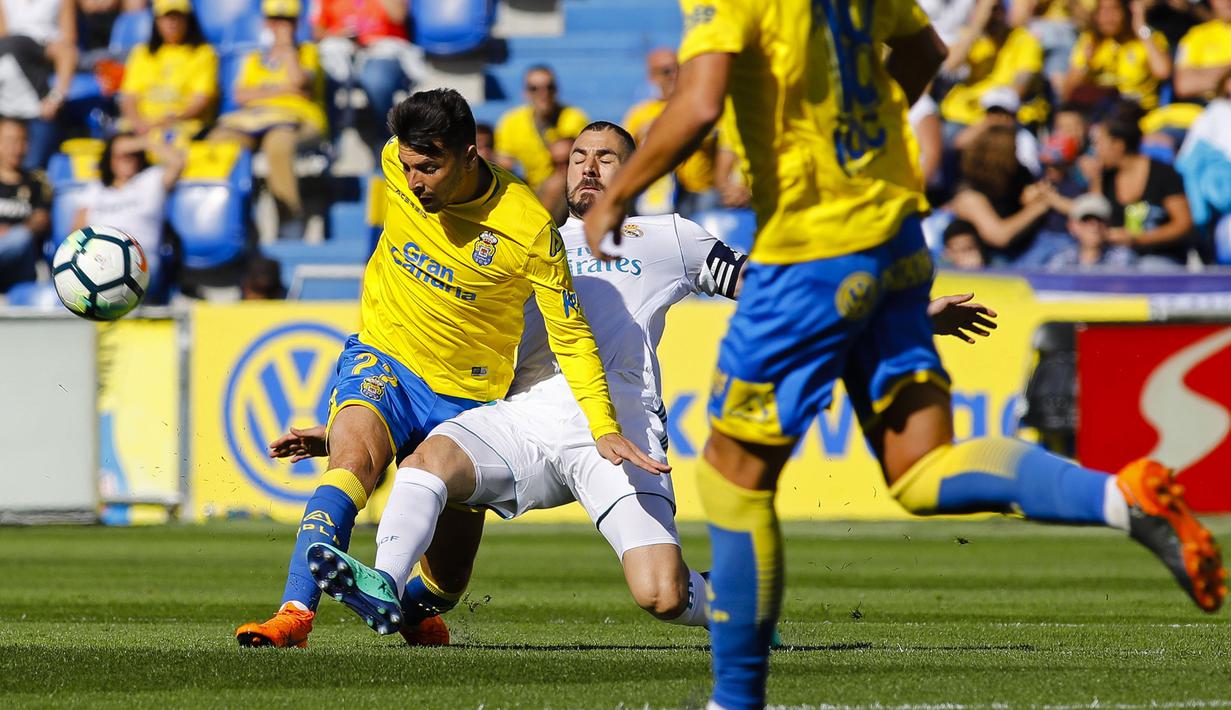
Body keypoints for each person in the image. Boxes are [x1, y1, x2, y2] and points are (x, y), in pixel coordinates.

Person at [581, 2, 1224, 707]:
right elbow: (925, 54)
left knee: (734, 479)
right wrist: (857, 149)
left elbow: (701, 101)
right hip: (893, 233)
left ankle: (735, 701)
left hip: (812, 246)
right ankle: (1121, 496)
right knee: (921, 469)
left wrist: (620, 194)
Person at [272, 122, 997, 646]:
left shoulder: (668, 237)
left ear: (634, 173)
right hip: (521, 420)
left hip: (618, 434)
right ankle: (383, 583)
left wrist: (903, 315)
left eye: (607, 158)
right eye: (578, 156)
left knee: (661, 595)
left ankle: (734, 609)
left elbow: (776, 293)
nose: (588, 168)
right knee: (427, 460)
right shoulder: (524, 238)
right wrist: (355, 426)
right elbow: (450, 352)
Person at [234, 88, 660, 649]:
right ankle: (292, 616)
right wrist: (342, 425)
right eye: (408, 165)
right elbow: (405, 165)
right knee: (353, 462)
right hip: (385, 359)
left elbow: (572, 336)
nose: (413, 181)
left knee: (447, 582)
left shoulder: (529, 228)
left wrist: (603, 426)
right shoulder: (395, 161)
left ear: (469, 154)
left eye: (429, 168)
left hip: (468, 398)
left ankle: (409, 609)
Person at [210, 0, 327, 240]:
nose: (281, 26)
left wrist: (287, 51)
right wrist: (282, 90)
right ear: (266, 23)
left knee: (278, 145)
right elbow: (240, 94)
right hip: (256, 120)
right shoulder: (255, 58)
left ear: (296, 24)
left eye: (287, 21)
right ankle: (228, 217)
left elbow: (299, 82)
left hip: (299, 120)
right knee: (220, 140)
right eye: (275, 20)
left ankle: (289, 217)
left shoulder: (307, 52)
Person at [71, 132, 183, 304]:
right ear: (109, 159)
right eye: (119, 155)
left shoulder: (151, 179)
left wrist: (144, 142)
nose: (126, 159)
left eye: (132, 154)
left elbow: (178, 162)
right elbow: (76, 232)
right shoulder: (96, 188)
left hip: (140, 259)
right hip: (99, 258)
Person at [313, 0, 426, 158]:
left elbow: (398, 16)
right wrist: (339, 34)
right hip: (343, 48)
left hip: (382, 49)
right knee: (324, 76)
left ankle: (385, 139)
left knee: (375, 80)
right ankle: (330, 140)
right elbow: (317, 32)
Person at [625, 48, 719, 217]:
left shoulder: (701, 105)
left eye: (679, 68)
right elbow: (624, 152)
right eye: (666, 71)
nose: (674, 75)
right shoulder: (640, 114)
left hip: (701, 192)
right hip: (661, 194)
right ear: (653, 77)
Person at [1093, 116, 1194, 268]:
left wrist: (1138, 239)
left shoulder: (1163, 174)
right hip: (1116, 257)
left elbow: (1183, 224)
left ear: (1118, 145)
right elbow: (1093, 214)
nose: (1096, 150)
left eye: (1099, 143)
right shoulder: (1106, 176)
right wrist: (1095, 179)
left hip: (1160, 257)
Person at [948, 124, 1053, 265]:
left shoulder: (1016, 174)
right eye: (1012, 151)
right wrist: (1037, 208)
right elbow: (999, 236)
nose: (1016, 156)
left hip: (1030, 245)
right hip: (995, 260)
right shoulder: (969, 194)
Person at [118, 0, 217, 146]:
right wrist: (138, 122)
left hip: (182, 128)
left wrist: (166, 121)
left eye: (178, 17)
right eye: (167, 17)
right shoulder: (142, 54)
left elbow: (200, 100)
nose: (173, 23)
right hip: (141, 127)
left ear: (188, 20)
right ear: (157, 21)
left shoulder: (203, 54)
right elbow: (129, 98)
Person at [940, 0, 1047, 130]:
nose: (991, 15)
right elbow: (950, 66)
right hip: (960, 115)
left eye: (995, 9)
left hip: (1002, 116)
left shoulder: (1023, 38)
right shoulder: (970, 38)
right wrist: (977, 26)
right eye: (983, 9)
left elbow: (1021, 84)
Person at [0, 0, 77, 167]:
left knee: (31, 168)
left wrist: (56, 97)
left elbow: (67, 52)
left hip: (38, 116)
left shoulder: (17, 45)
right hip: (7, 118)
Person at [1061, 0, 1171, 111]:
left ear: (1127, 11)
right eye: (1102, 11)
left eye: (1114, 9)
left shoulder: (1147, 39)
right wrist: (1086, 65)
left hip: (1138, 112)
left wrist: (1141, 29)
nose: (1108, 17)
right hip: (1099, 111)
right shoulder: (1090, 41)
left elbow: (1163, 72)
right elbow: (1067, 93)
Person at [494, 65, 589, 191]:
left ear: (556, 90)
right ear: (525, 93)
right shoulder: (511, 122)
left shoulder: (574, 117)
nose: (544, 93)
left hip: (566, 189)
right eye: (534, 88)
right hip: (526, 188)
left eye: (549, 87)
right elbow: (503, 160)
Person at [0, 118, 49, 292]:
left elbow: (41, 219)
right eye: (10, 140)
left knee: (22, 237)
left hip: (21, 265)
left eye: (22, 140)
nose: (17, 147)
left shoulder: (35, 181)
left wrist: (10, 233)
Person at [1044, 192, 1138, 269]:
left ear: (1108, 225)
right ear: (1073, 226)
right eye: (1086, 220)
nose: (1094, 226)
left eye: (1100, 220)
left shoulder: (1123, 258)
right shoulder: (1061, 260)